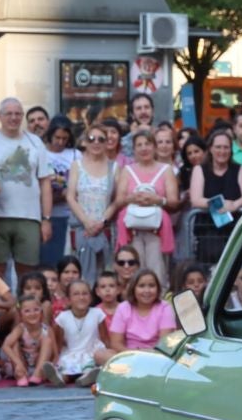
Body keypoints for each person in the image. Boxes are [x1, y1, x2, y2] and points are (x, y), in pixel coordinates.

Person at [0, 98, 53, 289]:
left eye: (18, 114)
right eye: (8, 113)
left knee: (27, 270)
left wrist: (46, 218)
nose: (13, 118)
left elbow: (45, 182)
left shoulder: (35, 143)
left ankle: (24, 309)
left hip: (28, 216)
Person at [115, 129, 179, 276]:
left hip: (156, 231)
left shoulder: (166, 170)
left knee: (157, 273)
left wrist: (158, 200)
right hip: (133, 231)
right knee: (133, 273)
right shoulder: (127, 170)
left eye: (147, 144)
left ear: (154, 146)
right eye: (139, 145)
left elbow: (174, 201)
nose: (144, 148)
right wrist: (133, 198)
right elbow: (119, 201)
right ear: (134, 149)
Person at [67, 122, 121, 283]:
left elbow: (117, 199)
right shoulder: (77, 165)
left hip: (105, 228)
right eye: (91, 139)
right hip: (80, 227)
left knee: (105, 270)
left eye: (100, 139)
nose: (96, 143)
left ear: (106, 143)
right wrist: (87, 222)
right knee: (80, 271)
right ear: (85, 142)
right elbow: (70, 196)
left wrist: (101, 222)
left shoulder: (114, 167)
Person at [108, 267, 177, 351]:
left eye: (151, 286)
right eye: (141, 286)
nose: (147, 290)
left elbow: (164, 343)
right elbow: (116, 343)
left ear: (158, 288)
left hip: (156, 355)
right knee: (100, 355)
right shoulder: (123, 308)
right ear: (133, 289)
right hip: (129, 355)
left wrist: (145, 355)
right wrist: (134, 354)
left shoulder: (164, 307)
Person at [42, 117, 76, 271]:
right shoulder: (41, 153)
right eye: (57, 137)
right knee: (48, 260)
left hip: (68, 214)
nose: (60, 142)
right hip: (47, 214)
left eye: (64, 138)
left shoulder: (75, 155)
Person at [56, 279, 107, 382]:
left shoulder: (97, 313)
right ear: (68, 299)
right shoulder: (62, 317)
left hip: (92, 352)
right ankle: (61, 378)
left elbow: (105, 338)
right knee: (66, 367)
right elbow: (59, 342)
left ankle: (86, 377)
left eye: (85, 293)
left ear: (91, 297)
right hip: (71, 353)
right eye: (76, 294)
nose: (81, 297)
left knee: (91, 367)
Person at [3, 295, 60, 386]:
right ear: (21, 314)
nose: (32, 314)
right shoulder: (20, 328)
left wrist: (52, 367)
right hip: (22, 365)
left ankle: (38, 373)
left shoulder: (47, 329)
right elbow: (5, 346)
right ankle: (21, 376)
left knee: (47, 340)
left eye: (36, 310)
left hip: (40, 365)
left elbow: (55, 355)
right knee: (14, 344)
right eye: (27, 311)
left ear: (41, 311)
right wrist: (18, 363)